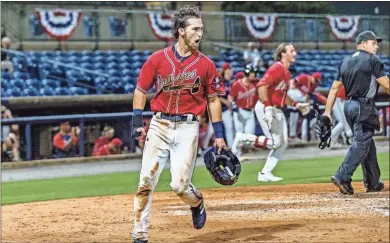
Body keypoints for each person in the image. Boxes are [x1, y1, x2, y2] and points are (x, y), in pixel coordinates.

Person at [131, 6, 227, 243]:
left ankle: (196, 202)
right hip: (159, 125)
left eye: (201, 29)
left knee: (180, 186)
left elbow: (213, 100)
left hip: (188, 128)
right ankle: (139, 235)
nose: (200, 33)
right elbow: (141, 90)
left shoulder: (206, 65)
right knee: (145, 182)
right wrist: (137, 122)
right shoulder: (157, 59)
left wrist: (219, 134)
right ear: (181, 31)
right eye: (195, 29)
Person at [231, 43, 310, 181]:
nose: (295, 53)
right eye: (292, 50)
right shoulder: (277, 68)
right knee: (276, 143)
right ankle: (242, 138)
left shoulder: (286, 72)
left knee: (282, 142)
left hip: (276, 108)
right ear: (283, 53)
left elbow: (282, 96)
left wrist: (297, 105)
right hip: (266, 107)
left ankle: (265, 173)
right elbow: (261, 86)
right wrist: (267, 107)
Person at [323, 31, 389, 195]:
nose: (376, 46)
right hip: (364, 106)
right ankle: (342, 176)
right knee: (362, 142)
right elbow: (386, 85)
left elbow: (334, 89)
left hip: (348, 106)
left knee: (367, 143)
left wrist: (327, 112)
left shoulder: (345, 61)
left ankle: (373, 182)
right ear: (363, 43)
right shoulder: (373, 60)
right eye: (374, 43)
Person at [202, 62, 234, 150]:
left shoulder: (229, 82)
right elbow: (214, 96)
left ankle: (231, 147)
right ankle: (204, 147)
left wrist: (229, 103)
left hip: (226, 110)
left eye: (230, 72)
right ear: (224, 71)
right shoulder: (218, 80)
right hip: (216, 109)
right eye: (228, 72)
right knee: (210, 130)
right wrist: (227, 102)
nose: (230, 73)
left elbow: (230, 95)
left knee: (229, 128)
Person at [288, 72, 324, 141]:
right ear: (312, 77)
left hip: (300, 99)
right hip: (293, 93)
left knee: (298, 116)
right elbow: (292, 81)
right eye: (316, 80)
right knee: (298, 97)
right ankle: (292, 135)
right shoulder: (304, 77)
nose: (316, 82)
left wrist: (305, 105)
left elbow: (307, 96)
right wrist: (291, 87)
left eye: (317, 81)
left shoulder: (314, 85)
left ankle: (294, 136)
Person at [228, 64, 259, 137]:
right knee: (239, 135)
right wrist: (233, 104)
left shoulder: (256, 82)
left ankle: (248, 148)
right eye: (252, 74)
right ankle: (238, 148)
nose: (253, 76)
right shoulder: (237, 84)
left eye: (254, 73)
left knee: (250, 136)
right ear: (246, 74)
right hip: (240, 111)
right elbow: (230, 97)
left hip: (251, 112)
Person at [329, 84, 353, 149]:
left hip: (341, 101)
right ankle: (330, 139)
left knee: (343, 123)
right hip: (339, 101)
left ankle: (333, 141)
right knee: (342, 123)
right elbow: (341, 95)